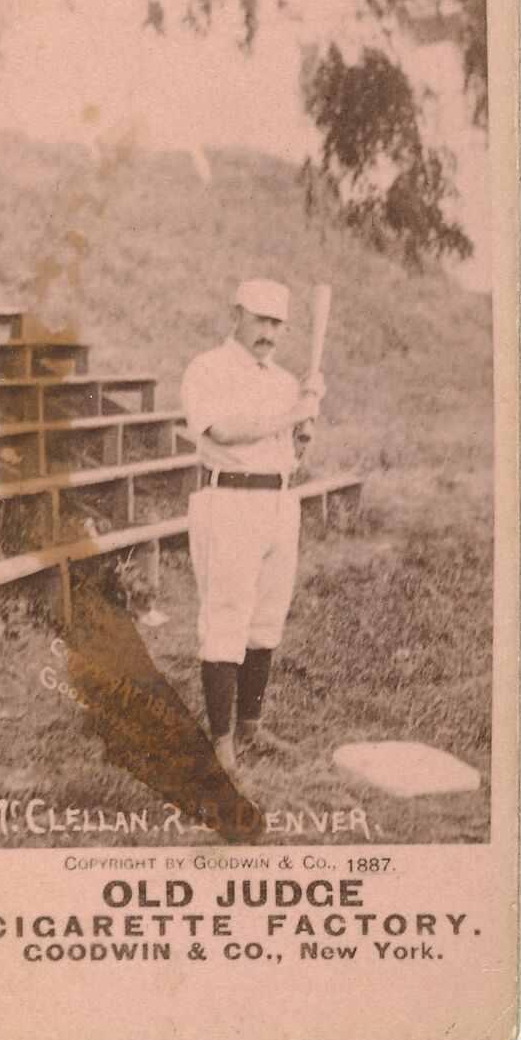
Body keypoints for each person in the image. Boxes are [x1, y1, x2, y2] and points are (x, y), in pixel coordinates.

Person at [180, 278, 325, 776]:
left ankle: (251, 726)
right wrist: (292, 413)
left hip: (279, 502)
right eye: (260, 319)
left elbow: (291, 453)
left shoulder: (285, 381)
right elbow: (223, 431)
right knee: (226, 618)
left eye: (277, 322)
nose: (269, 331)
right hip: (228, 498)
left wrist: (306, 426)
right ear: (236, 314)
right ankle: (220, 742)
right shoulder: (208, 369)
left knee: (266, 619)